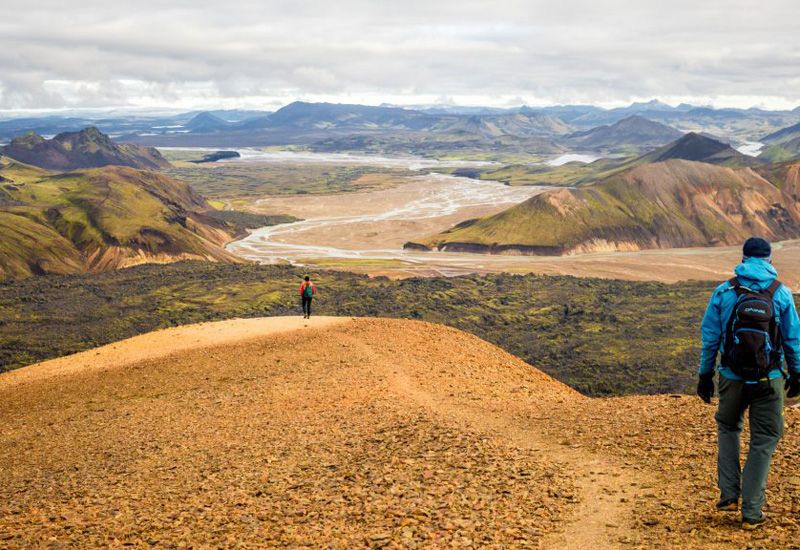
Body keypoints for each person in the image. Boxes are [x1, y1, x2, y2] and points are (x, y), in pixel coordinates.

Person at [698, 237, 800, 529]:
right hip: (769, 379)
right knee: (764, 438)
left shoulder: (724, 291)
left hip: (731, 377)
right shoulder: (781, 293)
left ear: (743, 258)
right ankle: (752, 512)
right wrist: (796, 373)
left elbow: (710, 338)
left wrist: (705, 375)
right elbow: (793, 339)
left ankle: (729, 494)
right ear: (769, 260)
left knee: (728, 427)